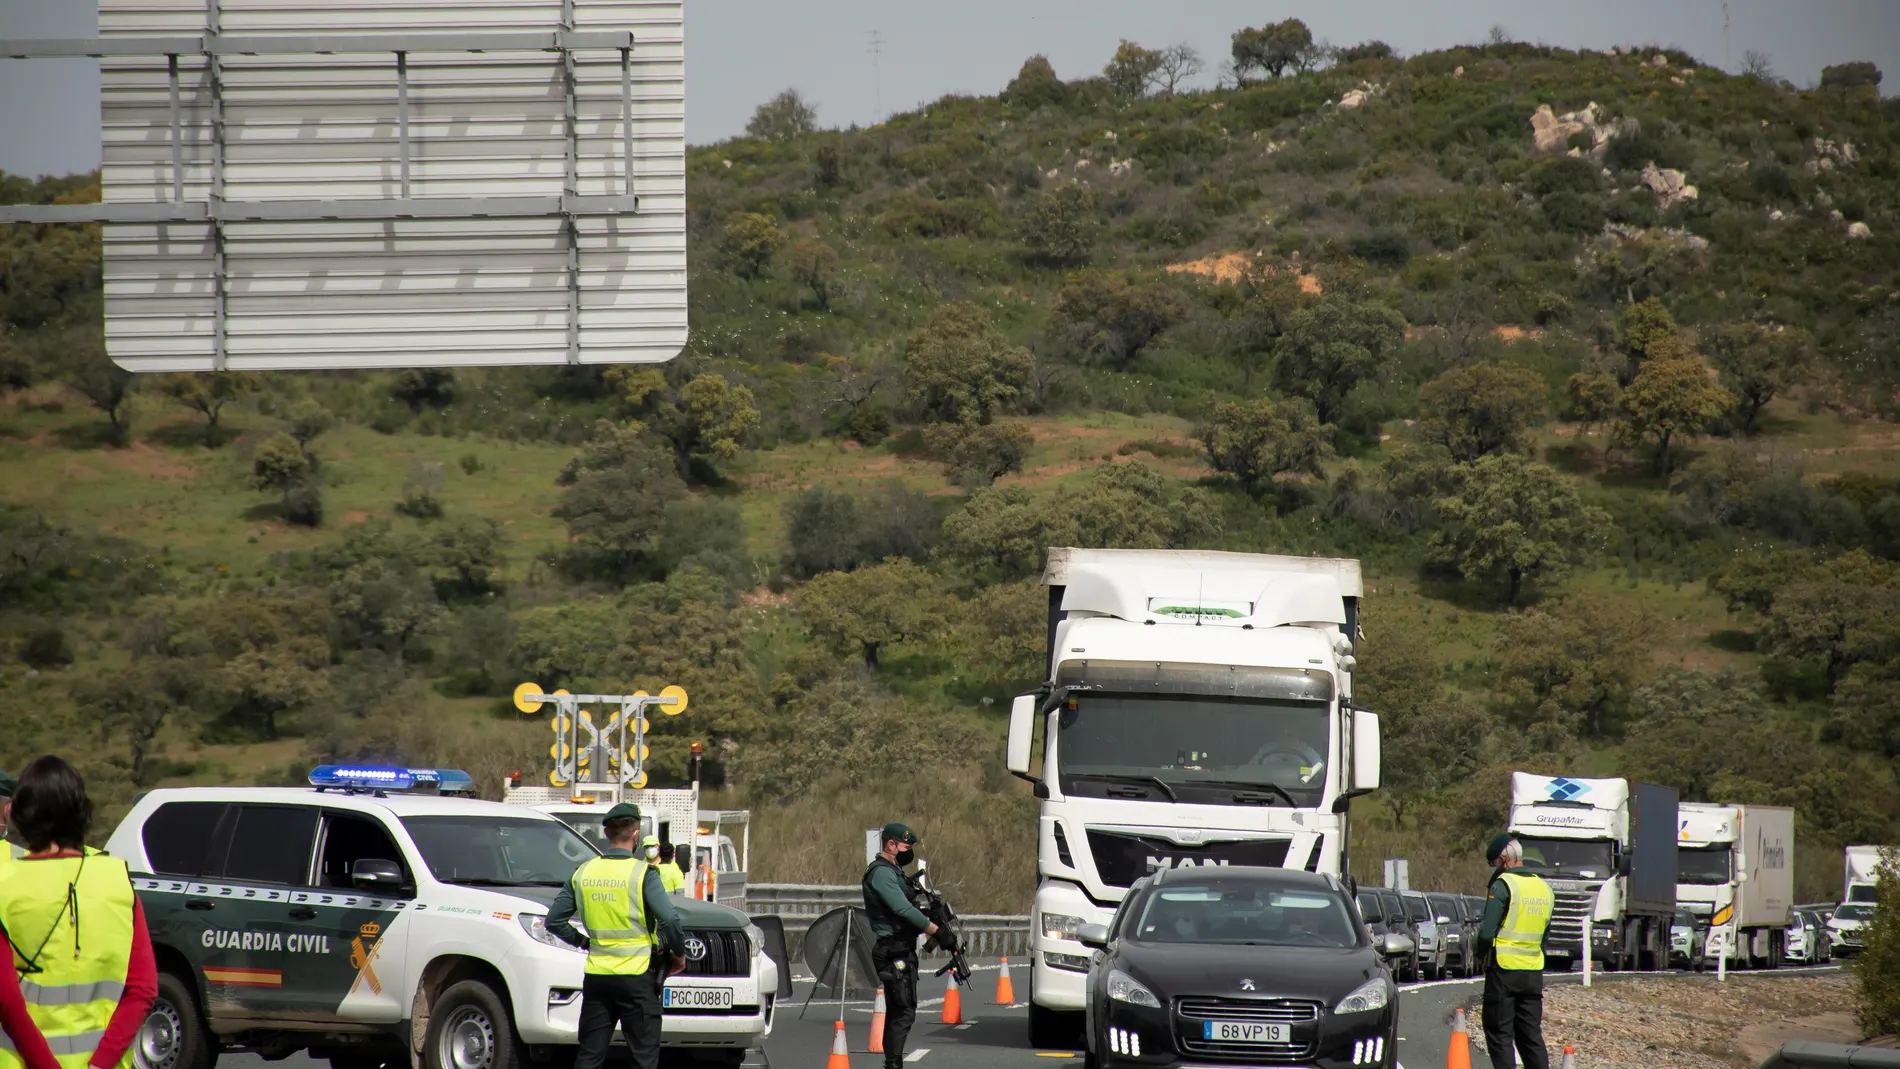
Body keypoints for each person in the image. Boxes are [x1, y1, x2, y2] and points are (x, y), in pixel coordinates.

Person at [0, 756, 158, 1069]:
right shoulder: (118, 880)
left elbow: (6, 1000)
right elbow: (143, 988)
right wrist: (100, 1063)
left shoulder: (5, 884)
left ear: (19, 815)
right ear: (82, 812)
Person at [547, 802, 688, 1069]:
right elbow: (669, 918)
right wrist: (678, 954)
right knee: (642, 1058)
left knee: (590, 1056)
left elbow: (554, 921)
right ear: (636, 834)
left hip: (598, 979)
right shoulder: (643, 873)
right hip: (637, 979)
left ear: (606, 833)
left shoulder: (583, 872)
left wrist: (583, 942)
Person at [861, 823, 952, 1069]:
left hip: (901, 947)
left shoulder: (894, 871)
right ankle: (893, 1064)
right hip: (892, 949)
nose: (908, 852)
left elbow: (908, 905)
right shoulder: (881, 873)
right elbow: (900, 908)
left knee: (900, 1011)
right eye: (905, 847)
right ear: (890, 845)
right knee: (903, 1012)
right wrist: (935, 931)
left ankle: (893, 1063)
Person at [1471, 833, 1554, 1069]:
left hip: (1504, 970)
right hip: (1532, 973)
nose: (1493, 868)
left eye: (1493, 863)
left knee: (1500, 1034)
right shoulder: (1543, 888)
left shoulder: (1503, 885)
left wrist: (1479, 956)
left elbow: (1487, 931)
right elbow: (1545, 934)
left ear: (1504, 859)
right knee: (1530, 1036)